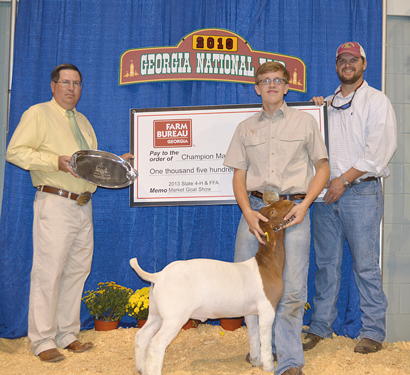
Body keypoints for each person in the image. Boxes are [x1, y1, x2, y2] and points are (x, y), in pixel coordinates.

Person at [6, 63, 133, 362]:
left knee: (77, 271)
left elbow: (90, 168)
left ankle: (67, 334)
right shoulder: (38, 114)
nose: (71, 88)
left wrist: (117, 163)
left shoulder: (84, 122)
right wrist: (55, 161)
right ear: (53, 85)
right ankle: (42, 340)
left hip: (83, 205)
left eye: (76, 83)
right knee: (48, 273)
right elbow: (15, 151)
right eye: (65, 82)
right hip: (55, 202)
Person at [223, 61, 330, 375]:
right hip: (255, 214)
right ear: (257, 87)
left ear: (287, 86)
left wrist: (306, 205)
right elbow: (238, 177)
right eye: (265, 80)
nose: (271, 85)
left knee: (293, 290)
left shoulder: (305, 123)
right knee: (246, 285)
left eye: (278, 80)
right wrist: (247, 212)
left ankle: (289, 359)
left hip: (293, 213)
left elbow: (322, 168)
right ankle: (259, 351)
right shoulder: (245, 128)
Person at [304, 42, 397, 354]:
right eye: (342, 60)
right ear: (336, 65)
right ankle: (319, 327)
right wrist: (316, 111)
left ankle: (372, 332)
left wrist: (343, 180)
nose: (347, 64)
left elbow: (379, 151)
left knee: (365, 265)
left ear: (363, 64)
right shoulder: (326, 104)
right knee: (325, 265)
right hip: (327, 194)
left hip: (360, 191)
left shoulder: (376, 101)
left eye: (353, 60)